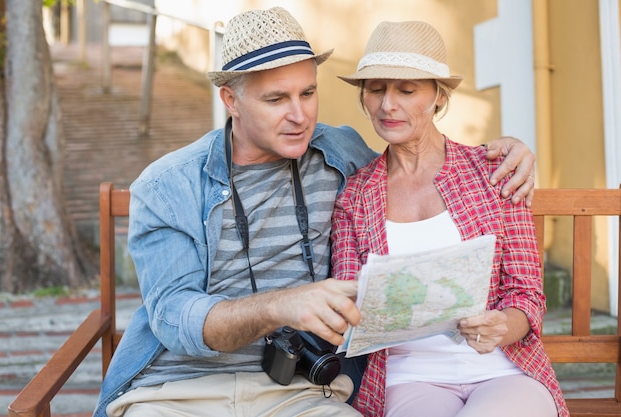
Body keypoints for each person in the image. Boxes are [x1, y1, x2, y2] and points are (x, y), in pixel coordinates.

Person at [94, 8, 538, 417]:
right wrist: (282, 305)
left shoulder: (339, 154)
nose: (299, 116)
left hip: (302, 389)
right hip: (176, 391)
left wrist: (511, 151)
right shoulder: (167, 185)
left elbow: (418, 159)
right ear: (230, 100)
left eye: (308, 93)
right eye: (275, 99)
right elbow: (176, 319)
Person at [330, 20, 568, 417]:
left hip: (502, 368)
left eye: (406, 90)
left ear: (438, 97)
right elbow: (351, 307)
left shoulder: (494, 172)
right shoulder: (354, 199)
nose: (388, 104)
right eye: (376, 89)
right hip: (409, 376)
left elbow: (527, 293)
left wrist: (502, 325)